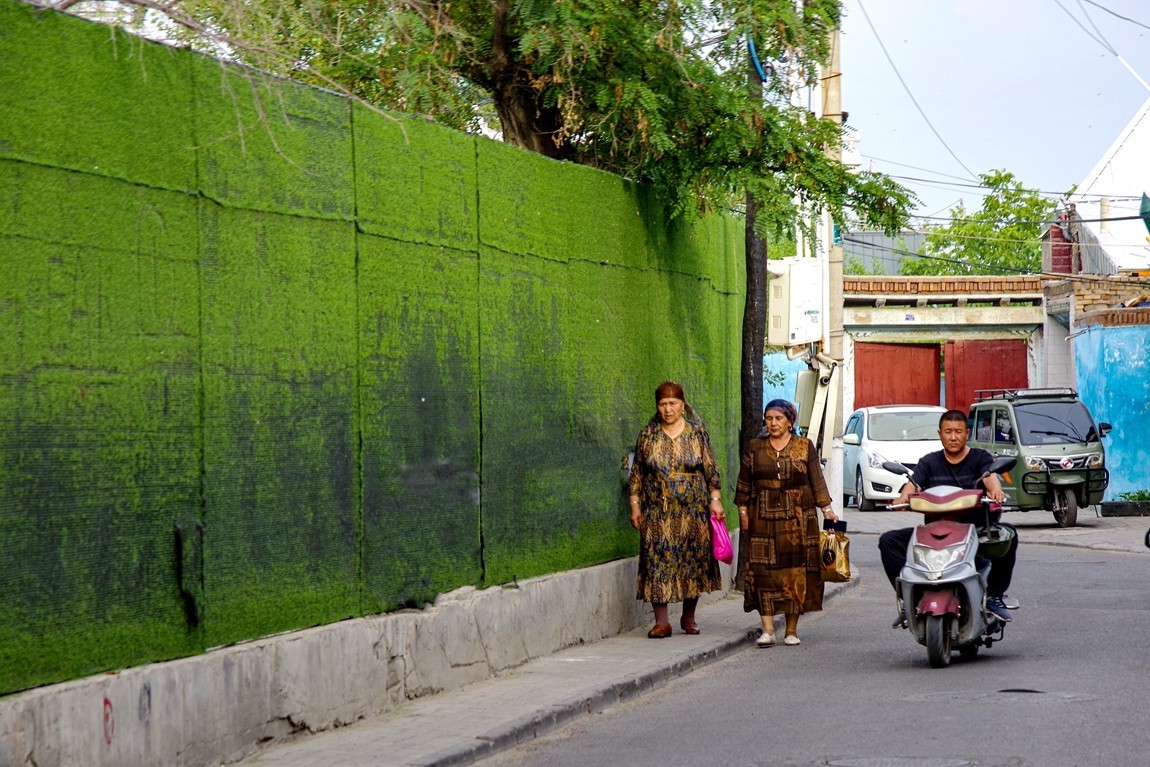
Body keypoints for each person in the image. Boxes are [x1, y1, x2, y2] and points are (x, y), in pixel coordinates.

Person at [878, 409, 1019, 626]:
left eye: (958, 432)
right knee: (888, 541)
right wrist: (902, 498)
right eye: (948, 432)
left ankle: (994, 596)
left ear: (967, 433)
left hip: (975, 531)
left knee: (1008, 535)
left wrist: (996, 492)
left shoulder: (979, 457)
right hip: (935, 534)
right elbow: (913, 484)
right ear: (940, 434)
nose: (953, 437)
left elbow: (990, 477)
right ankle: (909, 598)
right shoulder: (929, 462)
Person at [734, 399, 838, 647]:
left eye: (778, 418)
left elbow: (817, 479)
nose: (773, 423)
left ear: (790, 421)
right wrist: (743, 512)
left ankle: (791, 631)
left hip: (799, 521)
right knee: (764, 573)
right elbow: (744, 482)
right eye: (769, 418)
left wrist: (828, 510)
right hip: (763, 521)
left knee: (795, 574)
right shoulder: (755, 447)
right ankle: (767, 630)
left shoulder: (804, 446)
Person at [628, 381, 725, 638]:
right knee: (657, 561)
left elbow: (711, 470)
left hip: (692, 511)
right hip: (658, 511)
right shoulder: (648, 435)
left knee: (692, 561)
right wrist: (635, 504)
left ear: (683, 405)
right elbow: (637, 473)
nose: (667, 409)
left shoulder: (697, 434)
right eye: (662, 404)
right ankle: (662, 622)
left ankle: (688, 617)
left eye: (673, 404)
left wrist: (715, 499)